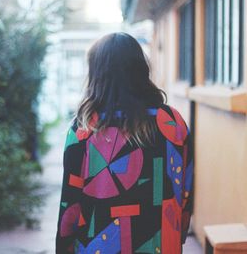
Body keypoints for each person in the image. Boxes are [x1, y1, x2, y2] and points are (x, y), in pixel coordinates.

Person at [55, 32, 194, 254]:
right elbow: (186, 191)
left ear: (97, 74)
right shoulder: (172, 122)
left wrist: (63, 247)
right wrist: (177, 235)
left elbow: (70, 203)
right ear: (141, 69)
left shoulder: (83, 129)